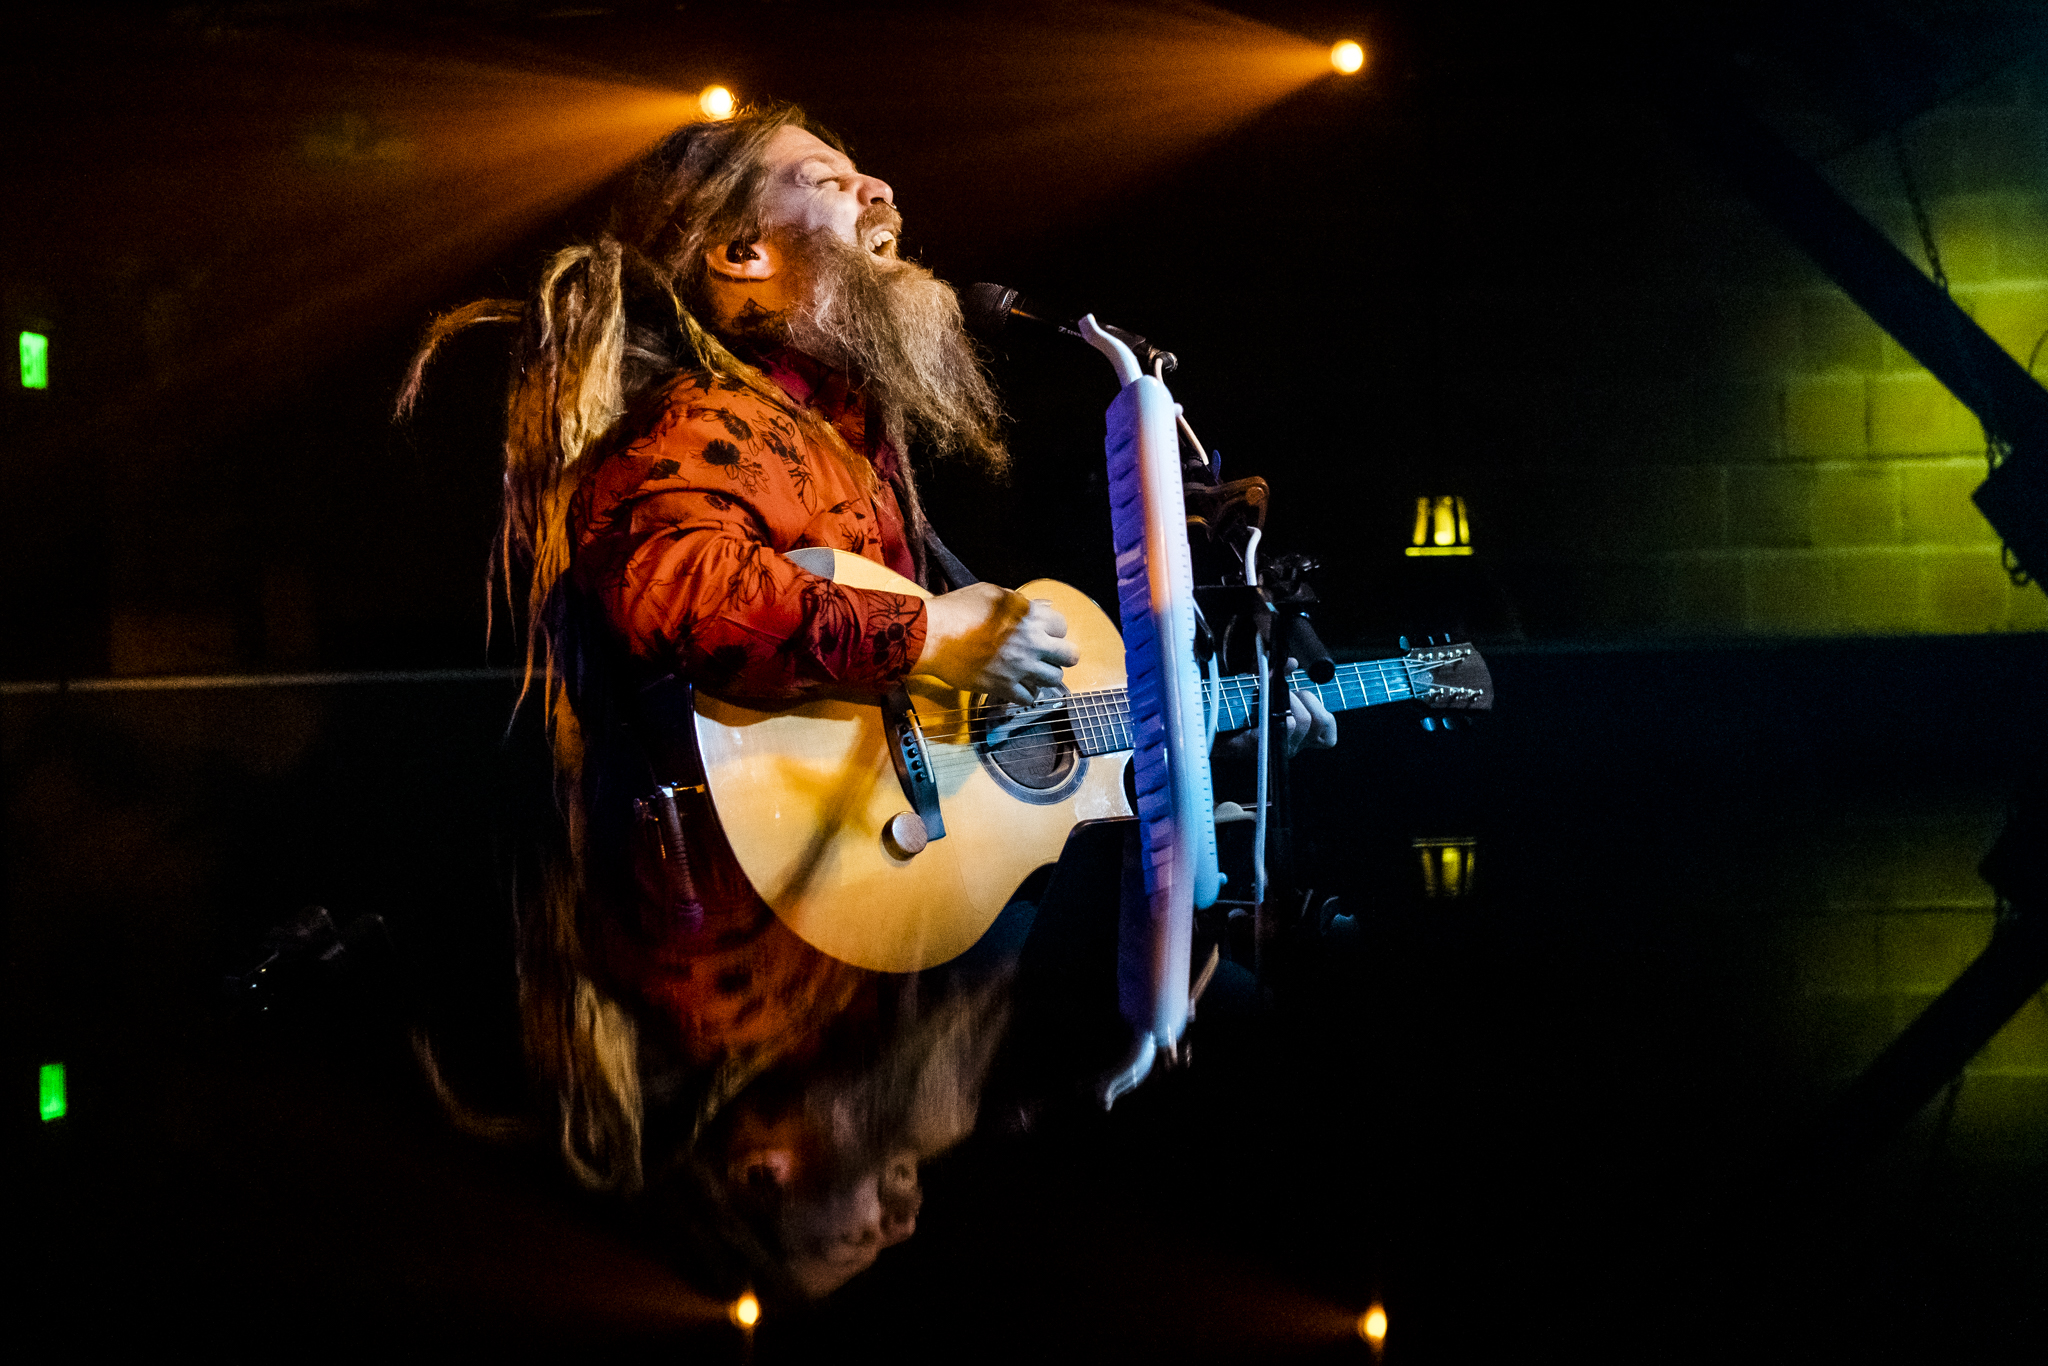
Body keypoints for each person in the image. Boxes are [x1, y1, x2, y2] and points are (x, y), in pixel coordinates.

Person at [399, 103, 1335, 1300]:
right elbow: (677, 591)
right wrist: (926, 635)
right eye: (825, 179)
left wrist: (1217, 720)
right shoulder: (706, 421)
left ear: (764, 1172)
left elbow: (948, 724)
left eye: (853, 1231)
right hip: (751, 936)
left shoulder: (836, 441)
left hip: (848, 945)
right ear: (741, 253)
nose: (901, 1217)